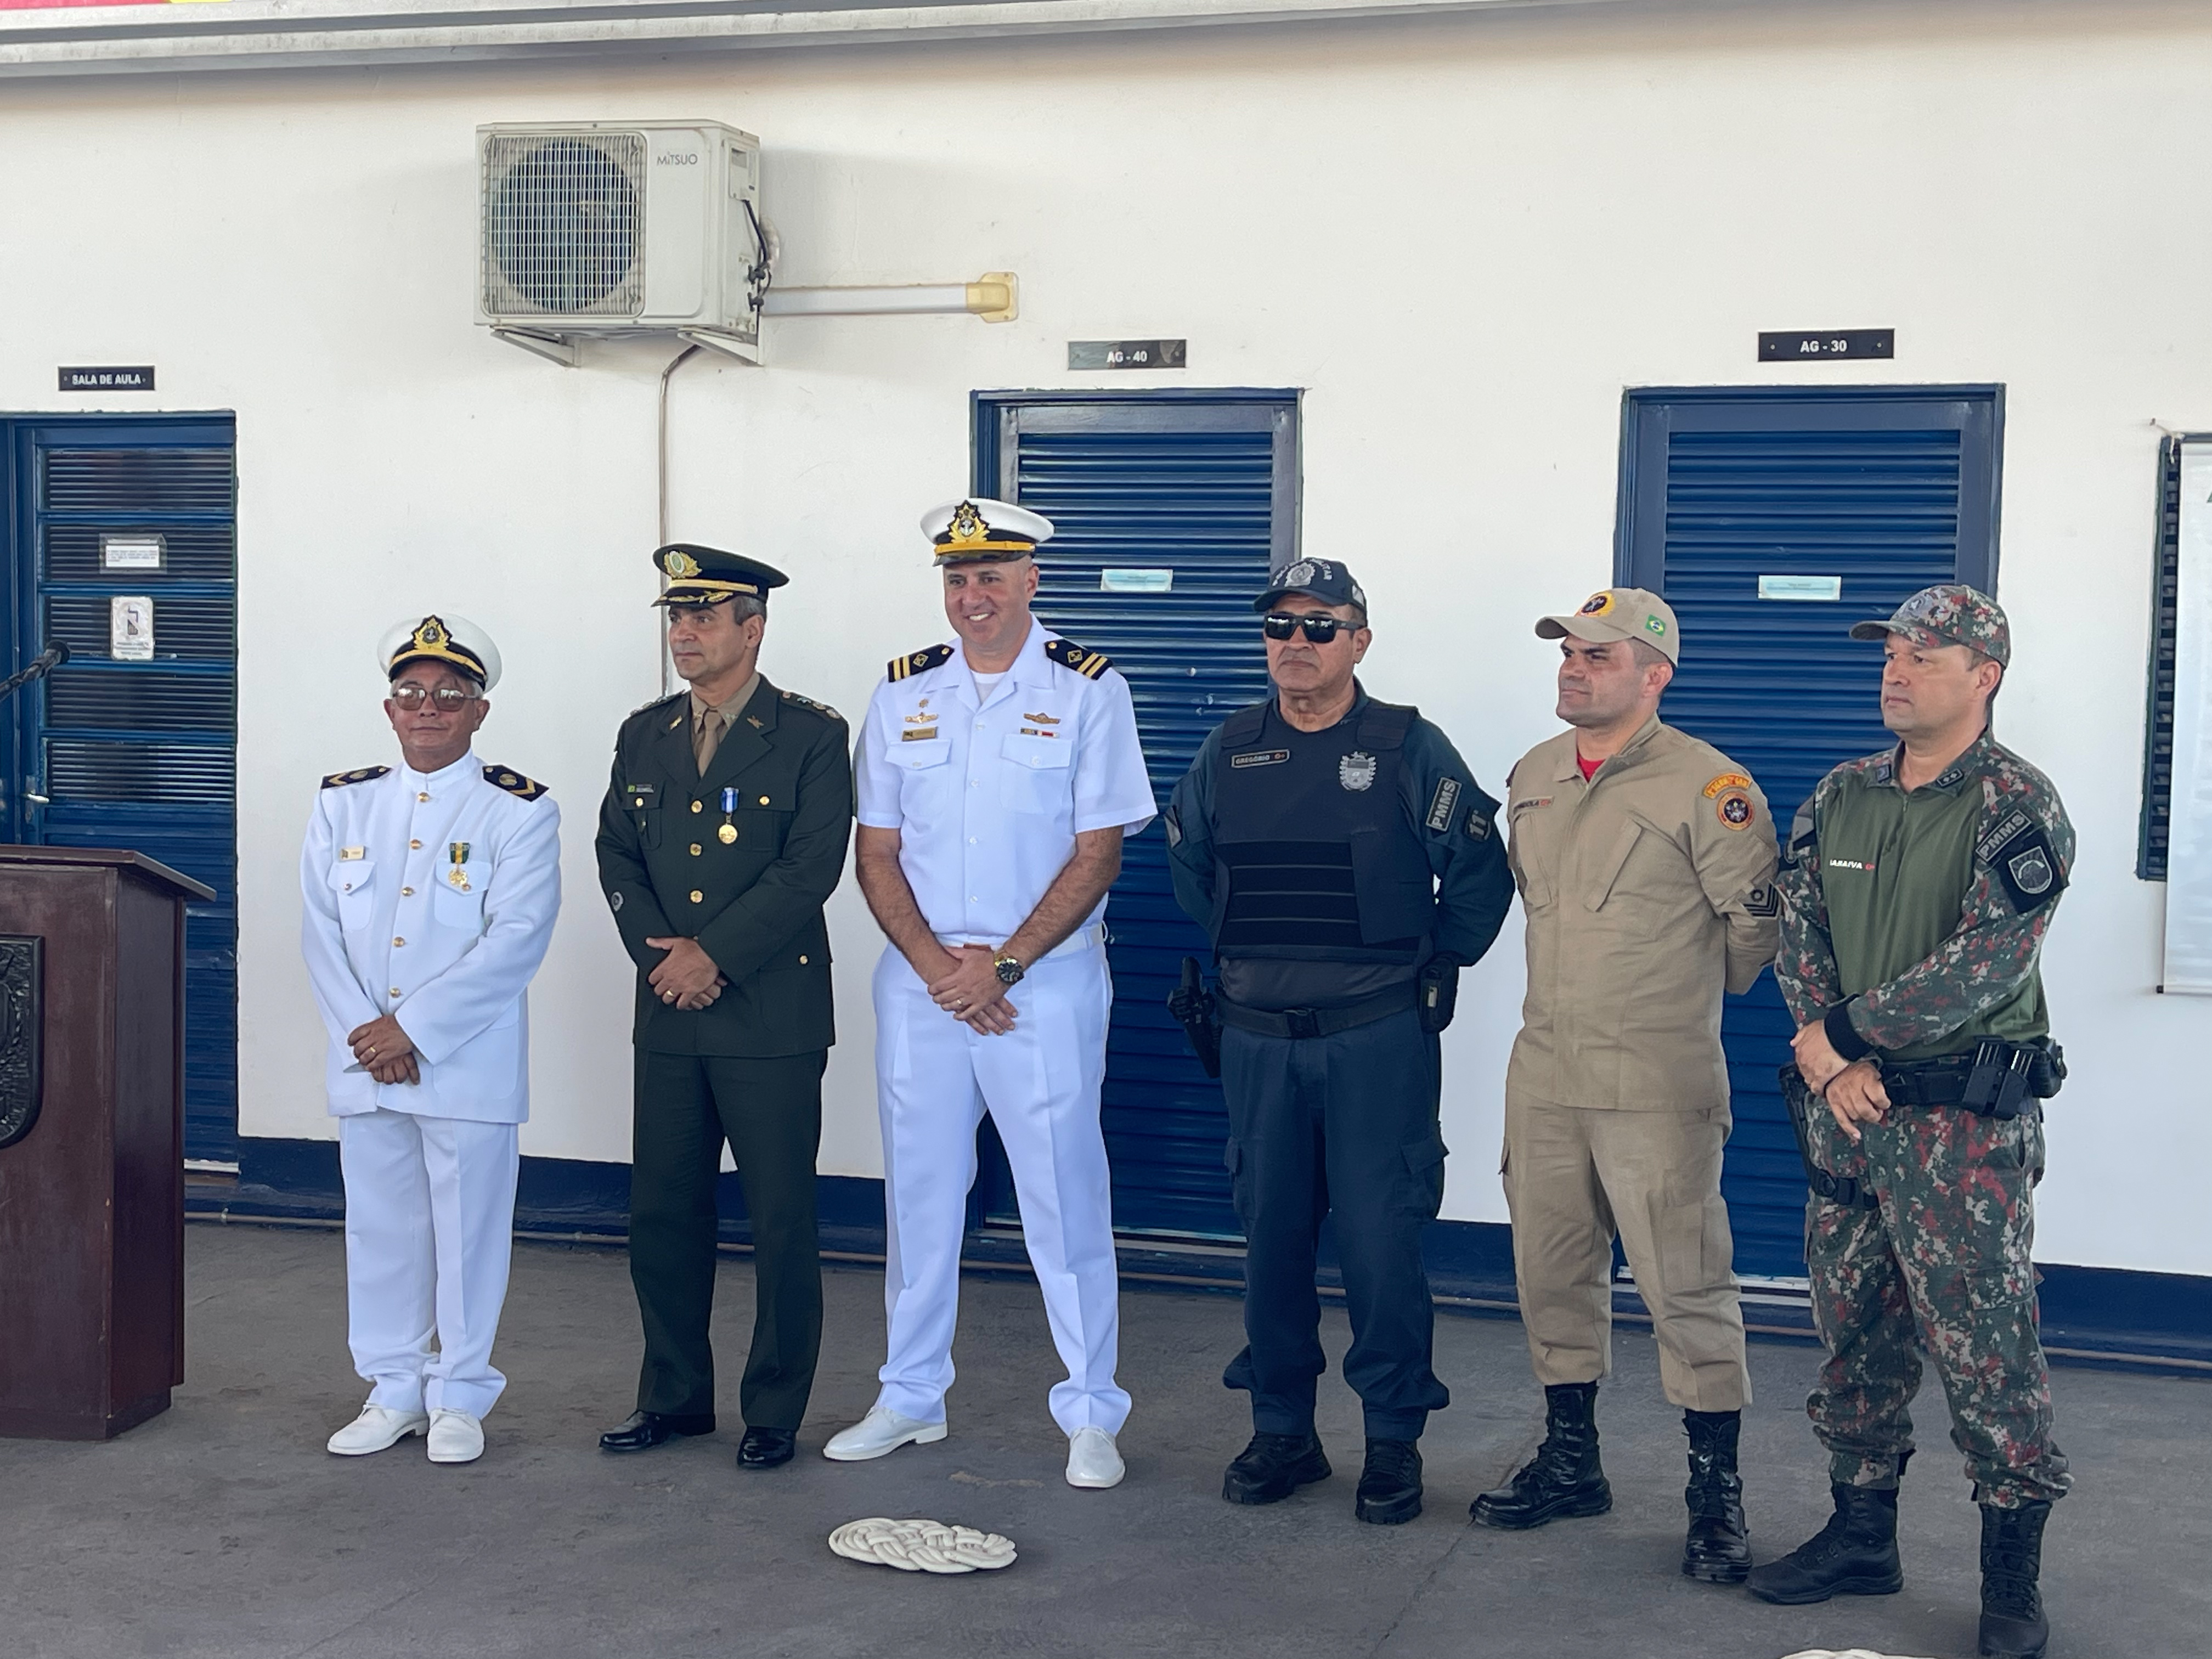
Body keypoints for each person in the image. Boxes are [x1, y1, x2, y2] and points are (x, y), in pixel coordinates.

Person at [1748, 585, 2072, 1659]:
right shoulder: (1842, 794)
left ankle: (2010, 1586)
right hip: (1849, 1119)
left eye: (1924, 656)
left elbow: (1987, 964)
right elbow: (1797, 927)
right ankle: (1860, 1538)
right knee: (1853, 1337)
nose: (1896, 670)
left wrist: (1842, 1035)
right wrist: (1824, 1049)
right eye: (1890, 653)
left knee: (1988, 1353)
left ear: (1984, 676)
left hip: (1960, 1134)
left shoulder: (2016, 805)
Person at [1163, 557, 1512, 1525]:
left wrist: (1438, 964)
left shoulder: (1407, 746)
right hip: (1258, 1042)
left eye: (1321, 626)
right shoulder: (1229, 747)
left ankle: (1393, 1444)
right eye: (1280, 627)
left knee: (1380, 1247)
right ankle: (1284, 1431)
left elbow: (1480, 870)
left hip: (1374, 1042)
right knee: (1269, 1244)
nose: (1297, 645)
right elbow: (1190, 863)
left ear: (1360, 639)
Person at [832, 496, 1155, 1491]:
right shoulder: (902, 694)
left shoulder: (1091, 690)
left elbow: (1098, 849)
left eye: (990, 577)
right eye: (957, 579)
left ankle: (1092, 1410)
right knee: (922, 1197)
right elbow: (876, 848)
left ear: (1031, 582)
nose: (971, 598)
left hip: (1041, 988)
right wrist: (943, 971)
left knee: (1064, 1196)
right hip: (926, 988)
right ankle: (911, 1395)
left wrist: (1000, 967)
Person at [1469, 588, 1779, 1582]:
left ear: (1656, 675)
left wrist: (1670, 1000)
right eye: (1568, 650)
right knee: (1550, 1272)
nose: (1574, 667)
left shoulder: (1709, 786)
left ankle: (1713, 1497)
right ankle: (1572, 1464)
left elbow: (1754, 932)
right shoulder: (1534, 774)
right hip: (1547, 1070)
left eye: (1599, 655)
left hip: (1655, 1079)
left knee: (1685, 1286)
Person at [594, 545, 854, 1471]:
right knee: (662, 1215)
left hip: (770, 1013)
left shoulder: (812, 735)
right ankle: (672, 1398)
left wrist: (715, 955)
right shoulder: (645, 733)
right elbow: (616, 854)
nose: (685, 633)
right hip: (670, 1010)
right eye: (676, 616)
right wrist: (664, 959)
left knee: (781, 1219)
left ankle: (776, 1407)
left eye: (705, 617)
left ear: (755, 627)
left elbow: (810, 868)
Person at [302, 614, 562, 1466]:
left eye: (449, 696)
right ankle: (391, 1388)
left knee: (468, 1233)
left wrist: (409, 1029)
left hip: (467, 1063)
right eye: (412, 694)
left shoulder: (518, 811)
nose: (428, 709)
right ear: (388, 706)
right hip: (366, 1063)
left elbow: (517, 938)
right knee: (379, 1230)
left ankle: (460, 1394)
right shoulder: (343, 801)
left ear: (479, 712)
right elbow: (319, 934)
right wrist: (367, 1036)